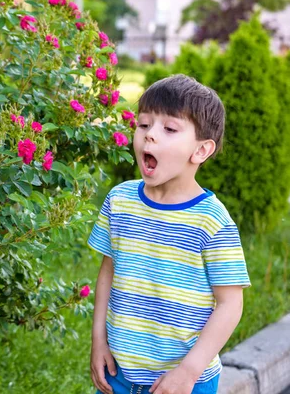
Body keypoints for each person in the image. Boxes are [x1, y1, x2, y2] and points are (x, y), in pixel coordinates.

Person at [88, 75, 251, 394]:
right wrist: (98, 340)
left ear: (201, 150)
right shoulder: (120, 201)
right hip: (118, 373)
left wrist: (189, 371)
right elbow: (108, 271)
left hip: (184, 382)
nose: (150, 137)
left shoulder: (212, 221)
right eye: (144, 125)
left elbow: (230, 304)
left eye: (169, 129)